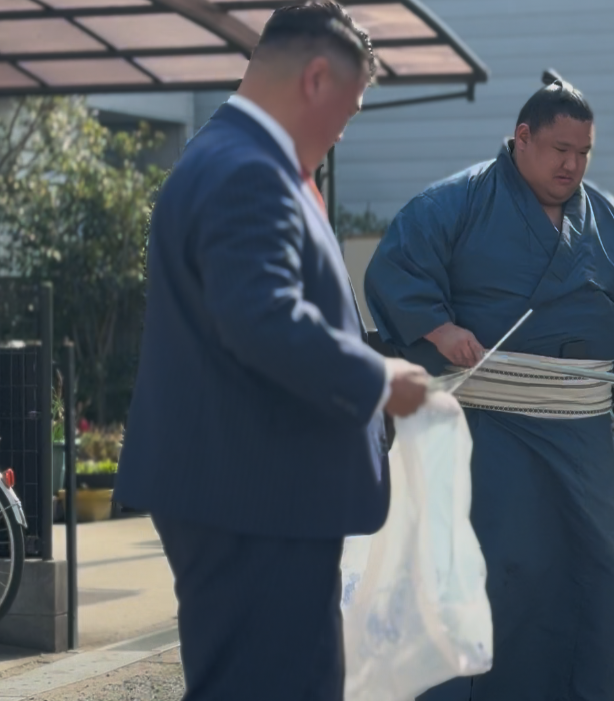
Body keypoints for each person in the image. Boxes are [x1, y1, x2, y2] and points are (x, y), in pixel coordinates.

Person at [113, 5, 430, 700]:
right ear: (316, 79)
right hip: (254, 496)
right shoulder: (248, 172)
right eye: (347, 112)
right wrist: (377, 379)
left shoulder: (224, 156)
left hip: (246, 489)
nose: (342, 132)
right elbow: (261, 318)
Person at [364, 76, 614, 701]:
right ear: (521, 138)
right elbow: (397, 265)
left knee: (588, 574)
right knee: (495, 572)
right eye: (559, 149)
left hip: (582, 438)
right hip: (489, 428)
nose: (572, 165)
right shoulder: (457, 202)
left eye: (583, 152)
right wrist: (439, 328)